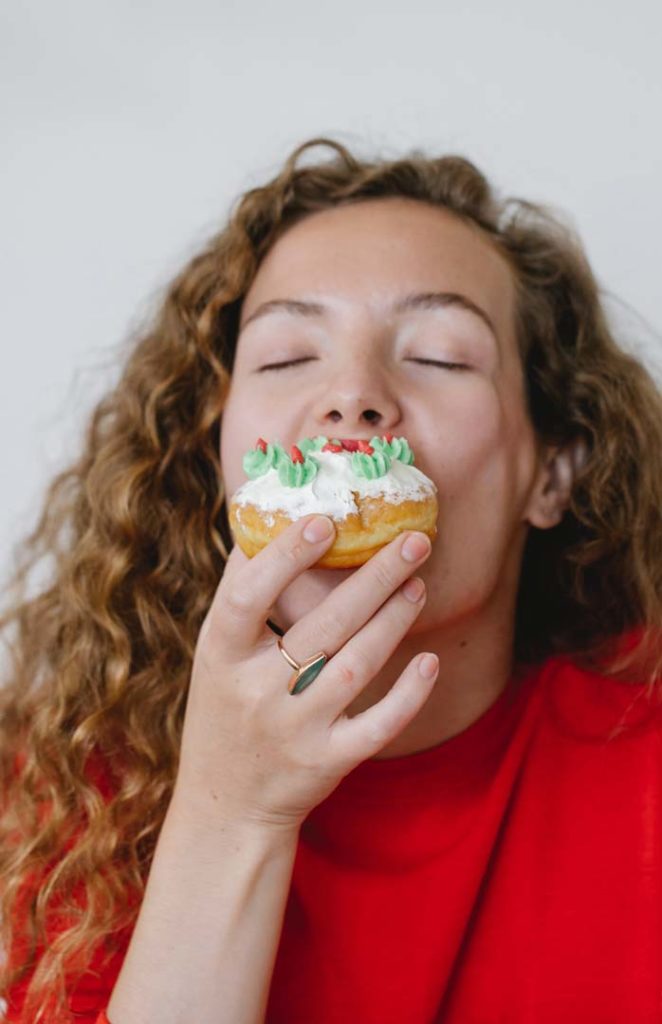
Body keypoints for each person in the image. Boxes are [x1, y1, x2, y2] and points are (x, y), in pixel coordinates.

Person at [0, 137, 661, 1024]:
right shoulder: (54, 798)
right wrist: (229, 817)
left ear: (550, 475)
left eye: (439, 356)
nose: (352, 396)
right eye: (284, 358)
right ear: (217, 460)